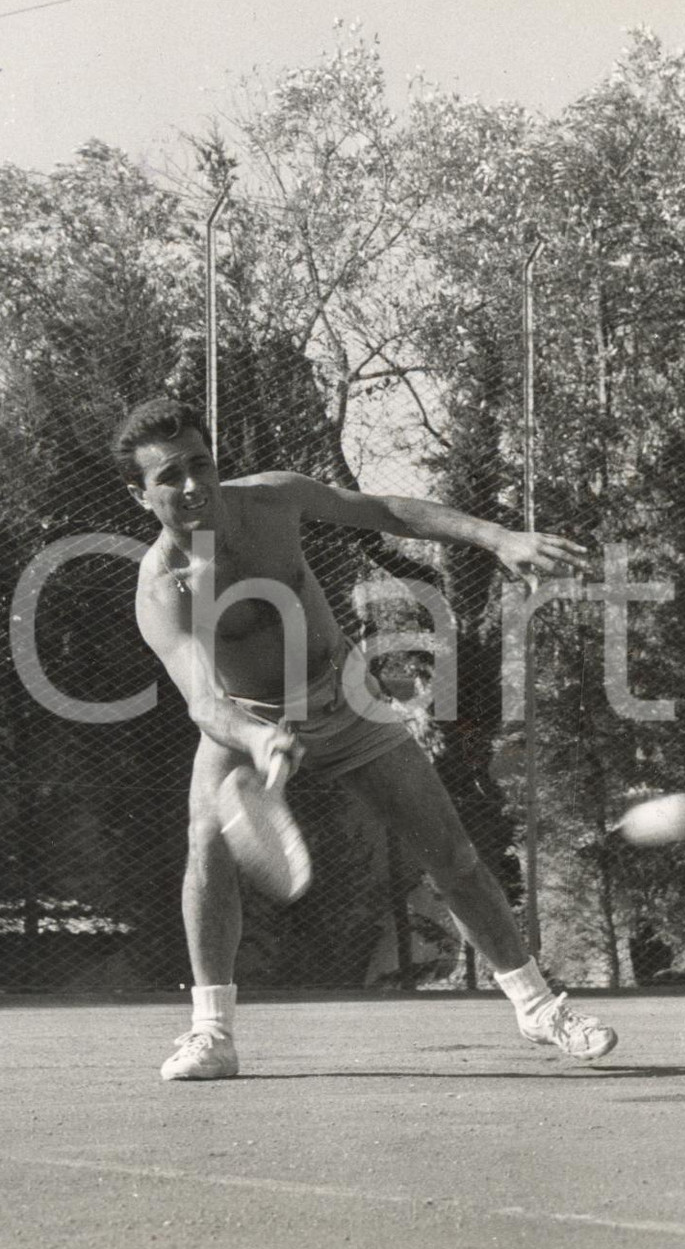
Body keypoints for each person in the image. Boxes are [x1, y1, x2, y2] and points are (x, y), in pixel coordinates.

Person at [112, 395, 618, 1080]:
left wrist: (497, 537)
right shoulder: (162, 588)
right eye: (170, 476)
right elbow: (204, 701)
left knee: (453, 854)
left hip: (347, 698)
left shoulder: (271, 500)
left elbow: (385, 510)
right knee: (206, 843)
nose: (193, 484)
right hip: (246, 718)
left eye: (200, 464)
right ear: (141, 495)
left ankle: (538, 1007)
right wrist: (258, 740)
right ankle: (212, 1034)